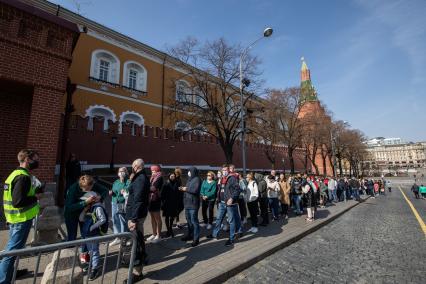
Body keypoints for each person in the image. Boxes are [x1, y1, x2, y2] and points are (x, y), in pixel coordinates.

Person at [0, 150, 43, 284]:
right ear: (27, 159)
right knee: (12, 251)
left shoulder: (15, 174)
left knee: (12, 249)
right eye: (35, 159)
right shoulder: (23, 177)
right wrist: (35, 197)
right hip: (20, 219)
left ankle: (9, 272)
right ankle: (3, 279)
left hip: (15, 219)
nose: (38, 162)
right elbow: (18, 201)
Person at [64, 175, 107, 264]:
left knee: (86, 236)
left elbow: (105, 190)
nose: (89, 190)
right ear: (81, 186)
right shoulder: (73, 189)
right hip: (71, 215)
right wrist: (85, 202)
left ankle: (85, 260)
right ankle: (69, 261)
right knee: (72, 237)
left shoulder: (92, 183)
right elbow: (69, 207)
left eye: (90, 188)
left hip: (84, 213)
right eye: (87, 189)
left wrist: (100, 197)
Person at [124, 158, 150, 283]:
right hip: (137, 214)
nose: (131, 168)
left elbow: (138, 200)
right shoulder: (140, 177)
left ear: (136, 166)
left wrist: (133, 219)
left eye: (132, 165)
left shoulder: (141, 179)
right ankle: (142, 259)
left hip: (136, 216)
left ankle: (137, 272)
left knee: (137, 243)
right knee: (139, 239)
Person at [207, 165, 242, 246]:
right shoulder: (222, 178)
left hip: (230, 203)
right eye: (223, 170)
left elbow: (238, 189)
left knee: (231, 221)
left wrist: (232, 198)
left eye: (226, 170)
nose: (224, 171)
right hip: (222, 203)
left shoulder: (232, 178)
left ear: (228, 171)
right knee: (218, 218)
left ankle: (231, 238)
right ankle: (214, 234)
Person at [79, 191, 108, 281]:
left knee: (94, 251)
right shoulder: (88, 208)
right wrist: (84, 210)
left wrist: (92, 227)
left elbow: (103, 219)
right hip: (87, 234)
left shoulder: (98, 208)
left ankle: (95, 269)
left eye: (86, 200)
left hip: (93, 234)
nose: (85, 202)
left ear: (92, 200)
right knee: (89, 251)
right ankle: (91, 264)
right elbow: (81, 219)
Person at [180, 167, 202, 247]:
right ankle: (190, 235)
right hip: (187, 203)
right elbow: (187, 190)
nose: (188, 173)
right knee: (188, 221)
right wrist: (183, 189)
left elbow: (195, 190)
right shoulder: (189, 179)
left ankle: (196, 239)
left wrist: (186, 189)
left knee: (194, 221)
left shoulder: (197, 179)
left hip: (193, 204)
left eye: (189, 171)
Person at [109, 167, 130, 246]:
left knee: (122, 220)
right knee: (115, 219)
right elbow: (114, 190)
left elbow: (127, 190)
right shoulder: (116, 182)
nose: (121, 173)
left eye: (123, 171)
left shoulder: (128, 181)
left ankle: (124, 238)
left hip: (122, 203)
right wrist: (111, 192)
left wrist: (124, 187)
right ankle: (117, 237)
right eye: (119, 171)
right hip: (114, 202)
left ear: (126, 172)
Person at [147, 165, 163, 243]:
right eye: (152, 171)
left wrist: (145, 188)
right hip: (150, 200)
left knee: (157, 218)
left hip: (156, 200)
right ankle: (154, 233)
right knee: (152, 218)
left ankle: (159, 236)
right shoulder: (152, 178)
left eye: (154, 171)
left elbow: (153, 188)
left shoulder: (159, 178)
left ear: (157, 171)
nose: (152, 172)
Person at [161, 173, 180, 237]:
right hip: (167, 203)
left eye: (174, 176)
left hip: (174, 203)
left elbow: (178, 193)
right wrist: (163, 203)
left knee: (172, 216)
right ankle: (168, 230)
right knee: (167, 216)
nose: (173, 177)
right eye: (171, 176)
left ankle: (170, 228)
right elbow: (162, 194)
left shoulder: (176, 183)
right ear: (169, 176)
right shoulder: (166, 183)